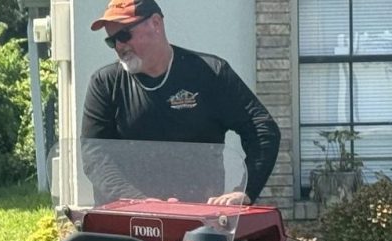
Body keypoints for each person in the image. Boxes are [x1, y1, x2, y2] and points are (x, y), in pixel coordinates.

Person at [81, 0, 280, 205]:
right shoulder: (105, 83)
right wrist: (138, 201)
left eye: (124, 35)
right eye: (111, 41)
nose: (119, 46)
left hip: (199, 218)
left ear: (156, 23)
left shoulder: (209, 73)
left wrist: (246, 191)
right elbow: (94, 154)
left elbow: (262, 128)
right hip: (131, 217)